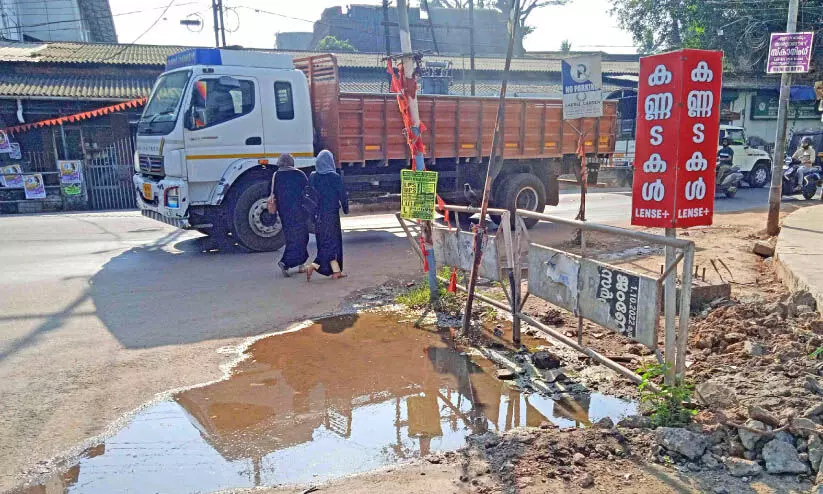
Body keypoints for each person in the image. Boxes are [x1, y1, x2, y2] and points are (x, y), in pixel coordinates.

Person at [306, 150, 349, 281]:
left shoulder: (313, 176)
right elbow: (342, 195)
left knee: (324, 242)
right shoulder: (334, 177)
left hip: (317, 215)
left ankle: (336, 271)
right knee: (333, 243)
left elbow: (309, 195)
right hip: (331, 214)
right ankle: (314, 265)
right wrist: (346, 209)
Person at [270, 153, 310, 277]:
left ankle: (301, 264)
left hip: (284, 212)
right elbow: (308, 191)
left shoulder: (276, 175)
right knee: (302, 236)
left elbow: (272, 193)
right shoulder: (299, 174)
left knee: (290, 237)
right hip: (299, 211)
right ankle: (285, 262)